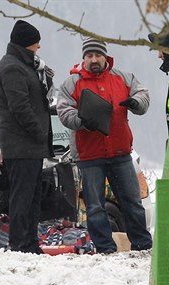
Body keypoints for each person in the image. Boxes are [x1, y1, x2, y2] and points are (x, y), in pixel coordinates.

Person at [56, 37, 152, 254]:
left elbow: (143, 93)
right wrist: (82, 121)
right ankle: (105, 249)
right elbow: (63, 111)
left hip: (120, 152)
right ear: (84, 58)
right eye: (89, 56)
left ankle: (143, 246)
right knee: (95, 207)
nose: (94, 59)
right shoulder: (72, 83)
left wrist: (136, 103)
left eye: (97, 55)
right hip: (89, 156)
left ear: (105, 56)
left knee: (133, 202)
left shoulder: (123, 78)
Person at [0, 20, 54, 254]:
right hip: (21, 146)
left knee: (32, 198)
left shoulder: (22, 65)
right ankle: (20, 244)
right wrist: (39, 132)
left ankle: (30, 242)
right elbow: (20, 107)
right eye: (36, 44)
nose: (38, 48)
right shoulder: (12, 68)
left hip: (29, 146)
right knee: (23, 198)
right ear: (27, 44)